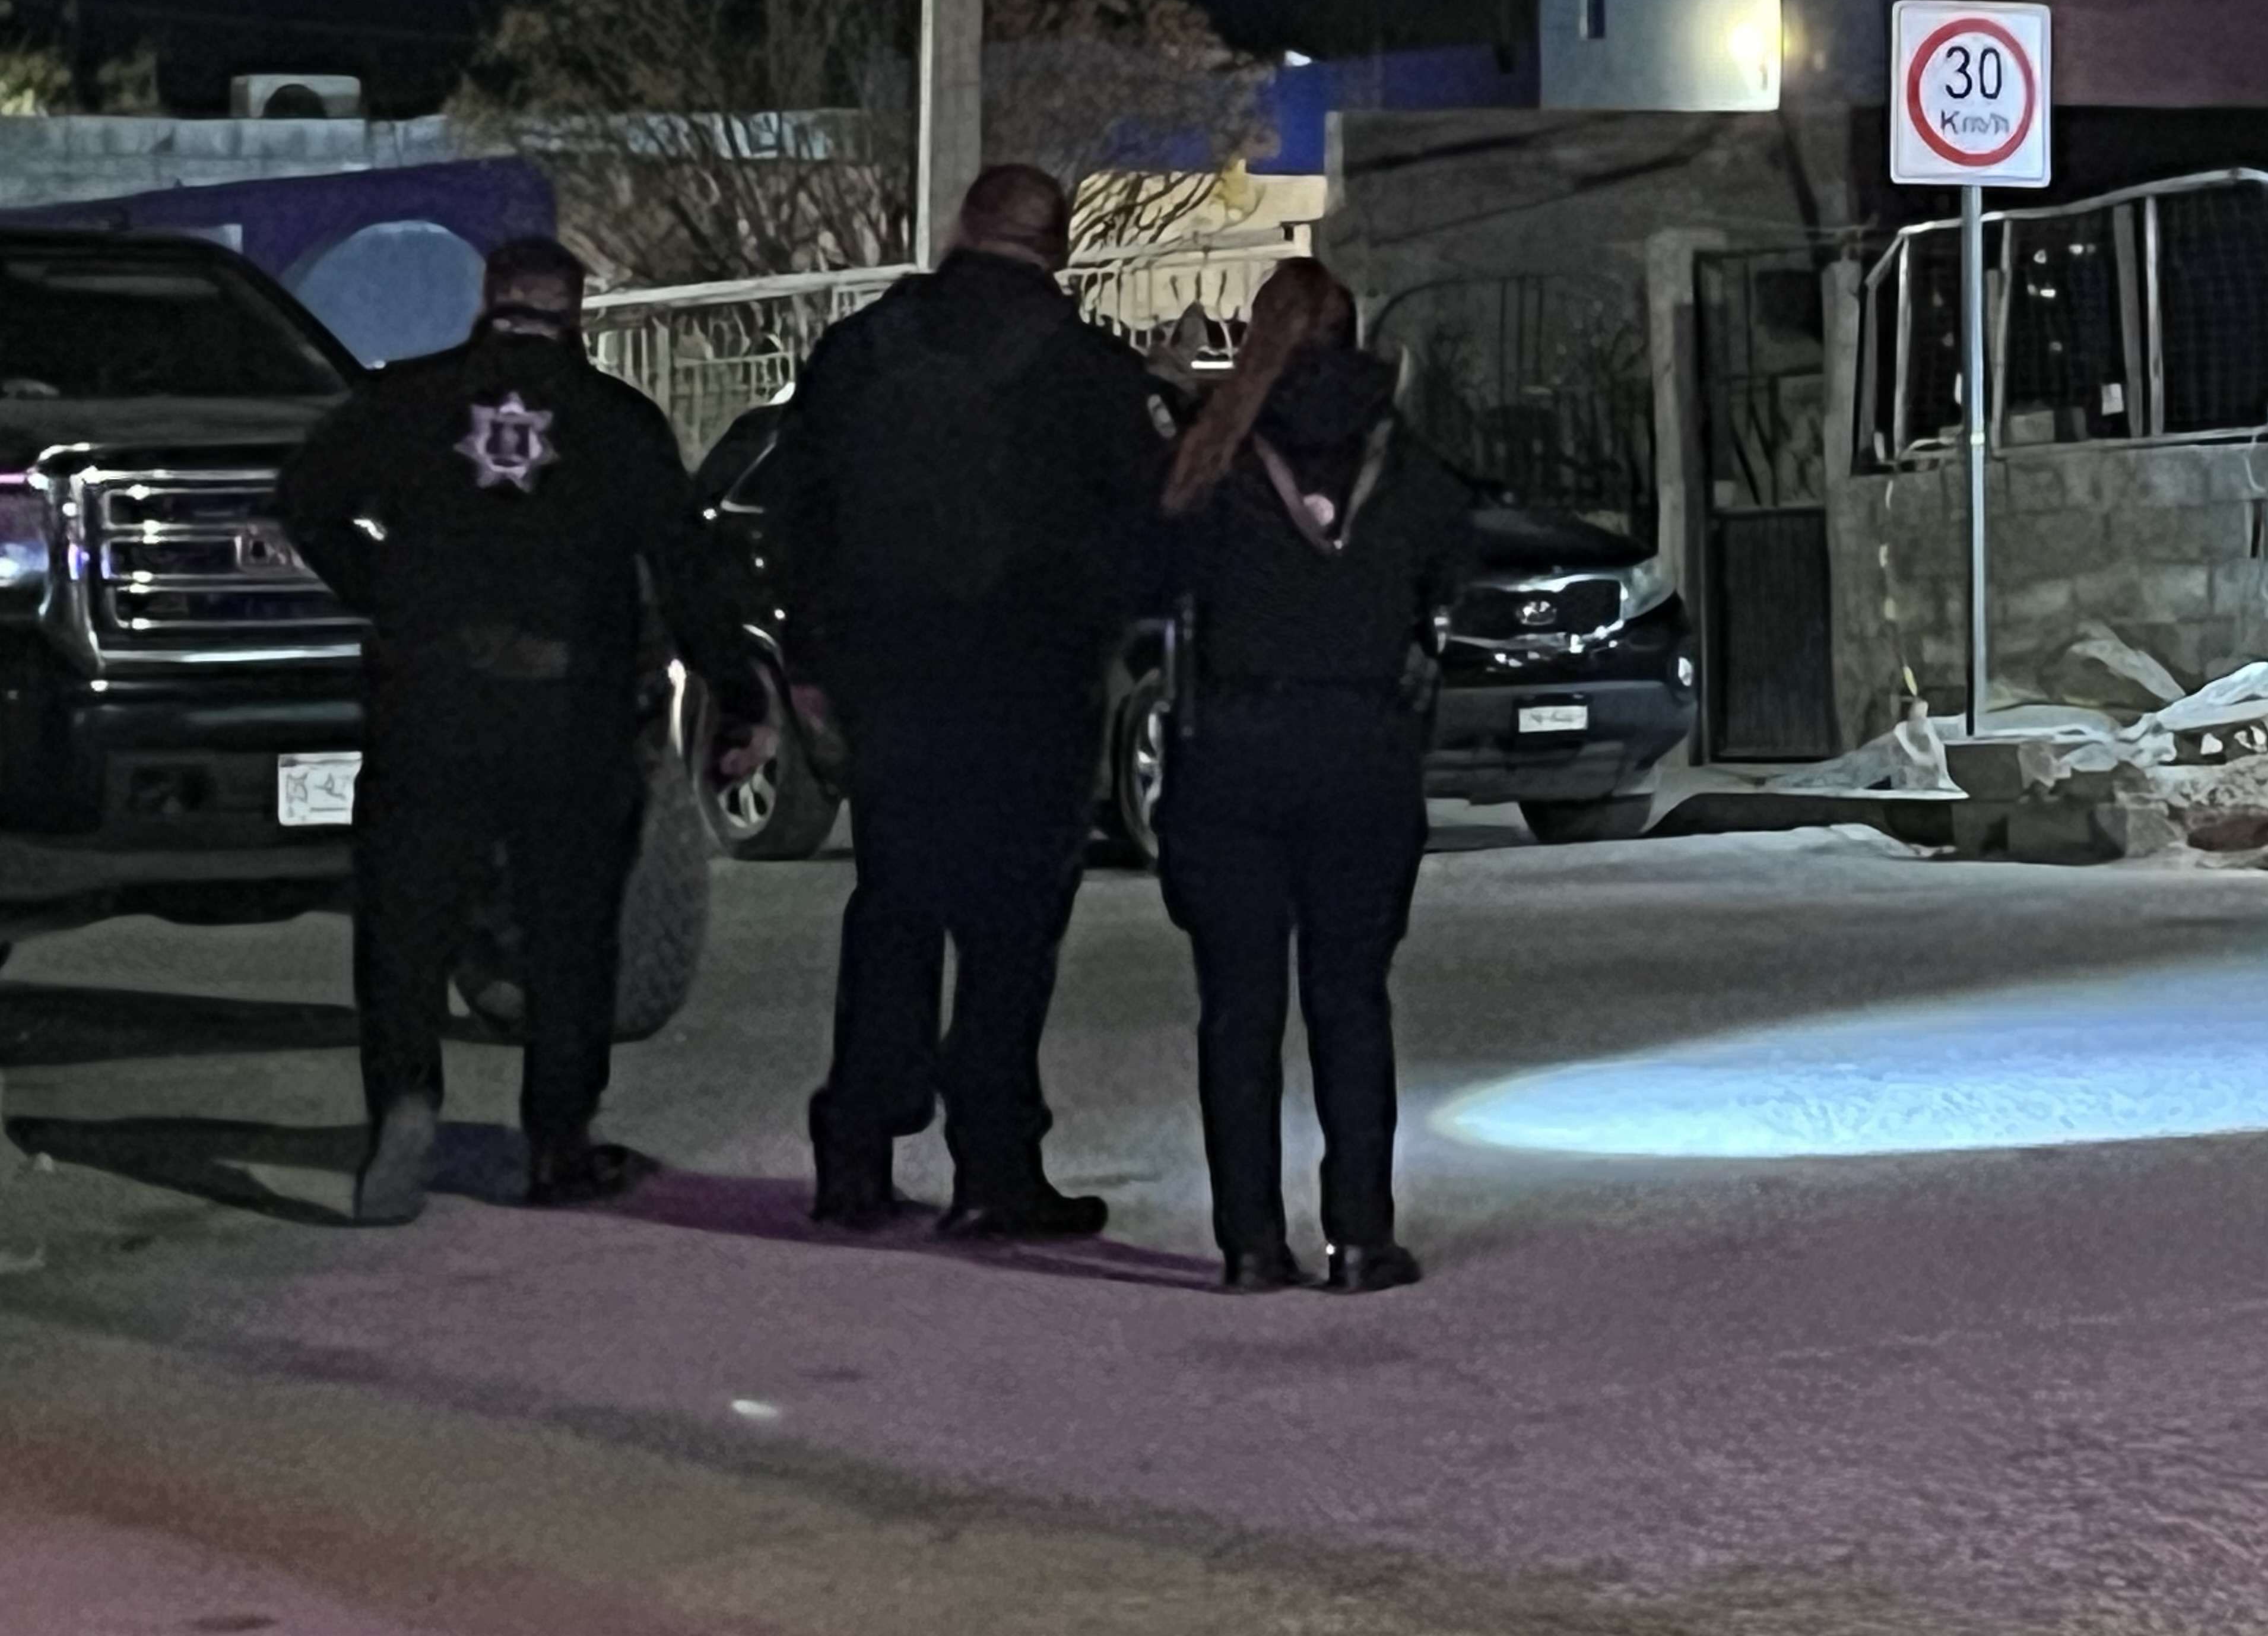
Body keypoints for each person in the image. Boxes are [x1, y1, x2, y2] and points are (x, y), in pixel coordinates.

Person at [279, 237, 767, 1226]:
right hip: (569, 710)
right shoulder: (618, 420)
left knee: (408, 922)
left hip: (433, 701)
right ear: (574, 313)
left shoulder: (404, 400)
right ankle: (558, 1141)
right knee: (571, 932)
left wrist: (385, 594)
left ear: (490, 300)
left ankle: (405, 1100)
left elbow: (304, 503)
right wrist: (738, 696)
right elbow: (685, 569)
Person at [762, 164, 1166, 1239]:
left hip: (890, 677)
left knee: (895, 908)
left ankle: (856, 1151)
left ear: (962, 227)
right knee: (1011, 932)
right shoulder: (1086, 369)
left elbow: (795, 514)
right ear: (1058, 244)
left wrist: (814, 661)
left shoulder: (862, 350)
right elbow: (1144, 533)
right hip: (1031, 682)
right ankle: (994, 1167)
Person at [1154, 259, 1472, 1294]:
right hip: (1360, 749)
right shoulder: (1404, 456)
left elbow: (1151, 577)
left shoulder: (1212, 455)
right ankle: (1361, 1236)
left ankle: (1250, 1242)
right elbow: (1449, 568)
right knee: (1352, 998)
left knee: (1238, 1010)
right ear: (1354, 334)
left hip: (1234, 750)